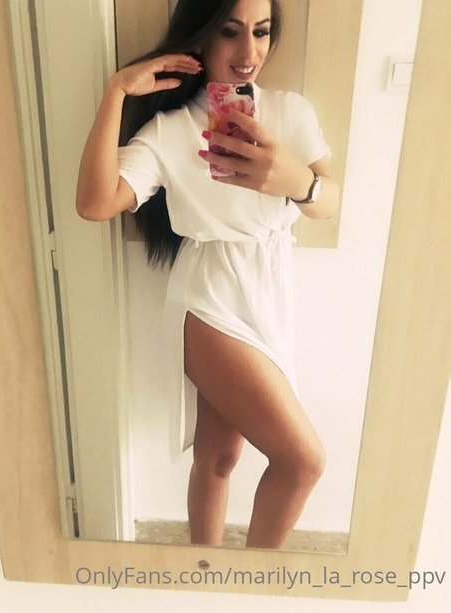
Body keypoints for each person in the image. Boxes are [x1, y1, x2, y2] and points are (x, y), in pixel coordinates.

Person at [76, 0, 340, 550]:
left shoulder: (291, 112)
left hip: (270, 292)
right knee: (303, 461)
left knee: (219, 457)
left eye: (261, 32)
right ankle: (251, 585)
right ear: (200, 36)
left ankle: (203, 573)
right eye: (229, 32)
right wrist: (116, 92)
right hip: (210, 298)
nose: (249, 52)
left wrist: (297, 181)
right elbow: (96, 203)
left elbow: (329, 203)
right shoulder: (170, 129)